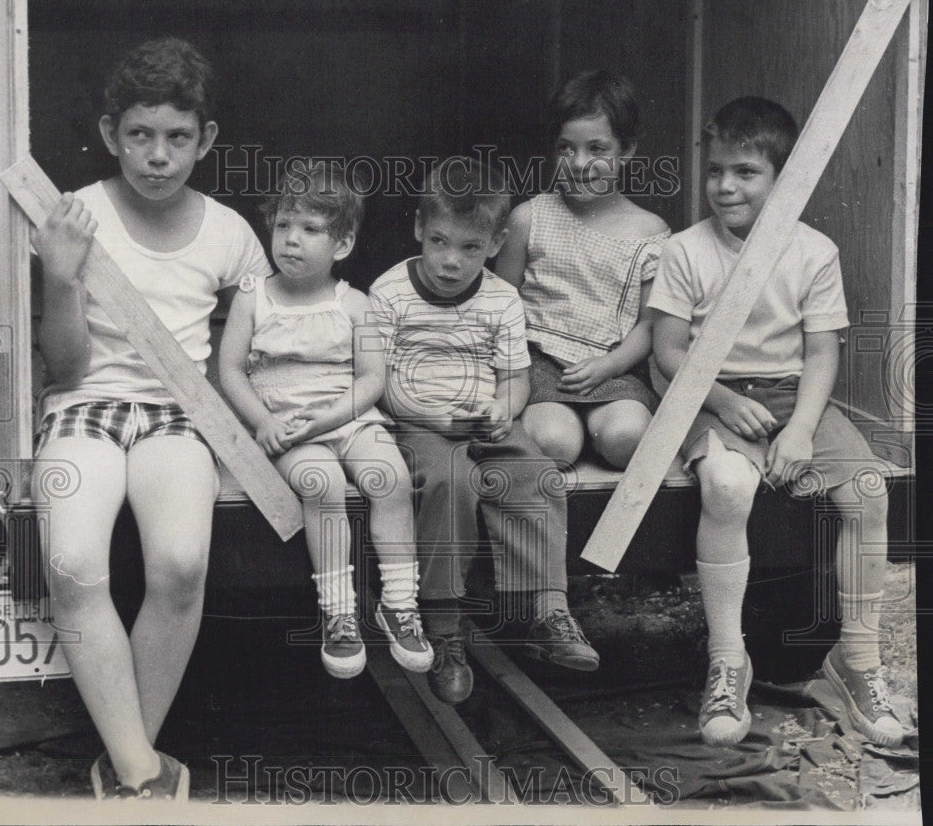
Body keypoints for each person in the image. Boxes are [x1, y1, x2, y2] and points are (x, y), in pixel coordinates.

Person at [32, 38, 271, 800]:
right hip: (83, 407)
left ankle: (128, 756)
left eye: (176, 137)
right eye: (140, 135)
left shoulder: (231, 233)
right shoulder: (76, 216)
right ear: (110, 134)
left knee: (180, 565)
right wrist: (61, 277)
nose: (157, 156)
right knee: (72, 563)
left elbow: (268, 344)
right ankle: (141, 771)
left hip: (178, 416)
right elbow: (65, 368)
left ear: (206, 140)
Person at [649, 97, 903, 748]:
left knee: (870, 494)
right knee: (727, 488)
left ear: (782, 179)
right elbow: (669, 350)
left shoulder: (814, 251)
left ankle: (857, 662)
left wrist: (798, 431)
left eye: (745, 172)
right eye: (716, 171)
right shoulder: (685, 250)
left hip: (795, 397)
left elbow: (822, 353)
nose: (725, 186)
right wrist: (724, 404)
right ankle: (728, 661)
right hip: (715, 396)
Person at [370, 157, 599, 706]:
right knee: (452, 482)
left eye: (470, 248)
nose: (451, 261)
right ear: (419, 230)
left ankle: (548, 610)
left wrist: (506, 404)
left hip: (482, 416)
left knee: (539, 475)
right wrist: (431, 419)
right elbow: (376, 382)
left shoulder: (501, 298)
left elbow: (516, 376)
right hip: (417, 420)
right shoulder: (388, 293)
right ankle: (445, 630)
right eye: (441, 242)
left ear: (495, 244)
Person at [219, 161, 433, 681]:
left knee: (391, 476)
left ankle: (400, 605)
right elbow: (229, 369)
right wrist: (262, 421)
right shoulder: (253, 296)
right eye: (283, 226)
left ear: (341, 244)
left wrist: (331, 420)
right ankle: (339, 613)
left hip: (346, 420)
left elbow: (371, 380)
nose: (291, 240)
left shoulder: (356, 305)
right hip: (287, 429)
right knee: (322, 483)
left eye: (311, 229)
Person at [495, 70, 669, 469]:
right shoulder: (529, 218)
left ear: (627, 151)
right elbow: (499, 307)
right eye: (566, 148)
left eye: (597, 149)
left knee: (627, 439)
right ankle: (566, 425)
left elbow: (648, 325)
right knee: (555, 444)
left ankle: (601, 424)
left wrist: (610, 365)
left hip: (616, 367)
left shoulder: (650, 232)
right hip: (540, 367)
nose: (580, 163)